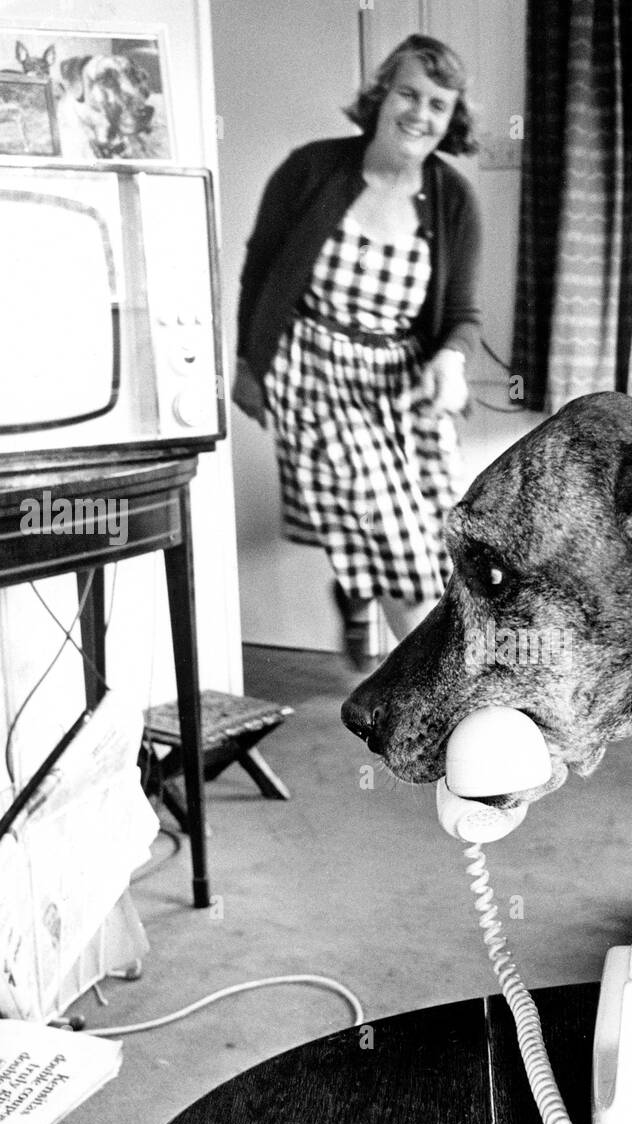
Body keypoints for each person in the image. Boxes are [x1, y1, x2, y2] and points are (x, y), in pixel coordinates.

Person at [232, 34, 482, 670]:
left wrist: (450, 360)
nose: (420, 115)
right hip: (311, 369)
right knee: (401, 545)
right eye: (408, 94)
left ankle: (356, 587)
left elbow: (461, 315)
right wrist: (246, 364)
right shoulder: (311, 170)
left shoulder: (451, 199)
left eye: (439, 104)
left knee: (442, 528)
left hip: (399, 378)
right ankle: (442, 686)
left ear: (452, 120)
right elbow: (259, 271)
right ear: (380, 96)